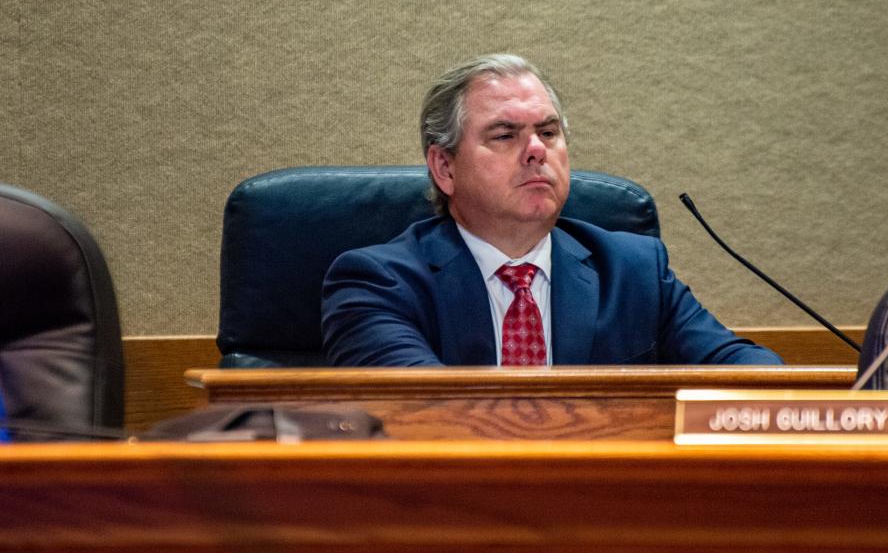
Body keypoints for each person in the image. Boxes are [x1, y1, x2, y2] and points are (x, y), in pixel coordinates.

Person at [321, 54, 782, 367]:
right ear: (444, 166)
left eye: (548, 131)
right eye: (505, 135)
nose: (536, 150)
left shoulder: (635, 269)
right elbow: (425, 413)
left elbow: (747, 376)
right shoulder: (378, 282)